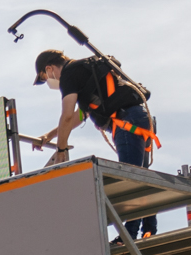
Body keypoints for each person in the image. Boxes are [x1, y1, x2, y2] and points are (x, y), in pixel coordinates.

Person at [34, 48, 159, 235]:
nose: (49, 82)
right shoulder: (84, 70)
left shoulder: (68, 75)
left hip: (126, 122)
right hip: (136, 118)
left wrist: (61, 150)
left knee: (130, 180)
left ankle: (129, 236)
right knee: (139, 177)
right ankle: (149, 229)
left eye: (45, 78)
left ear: (50, 68)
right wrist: (50, 135)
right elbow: (81, 114)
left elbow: (66, 116)